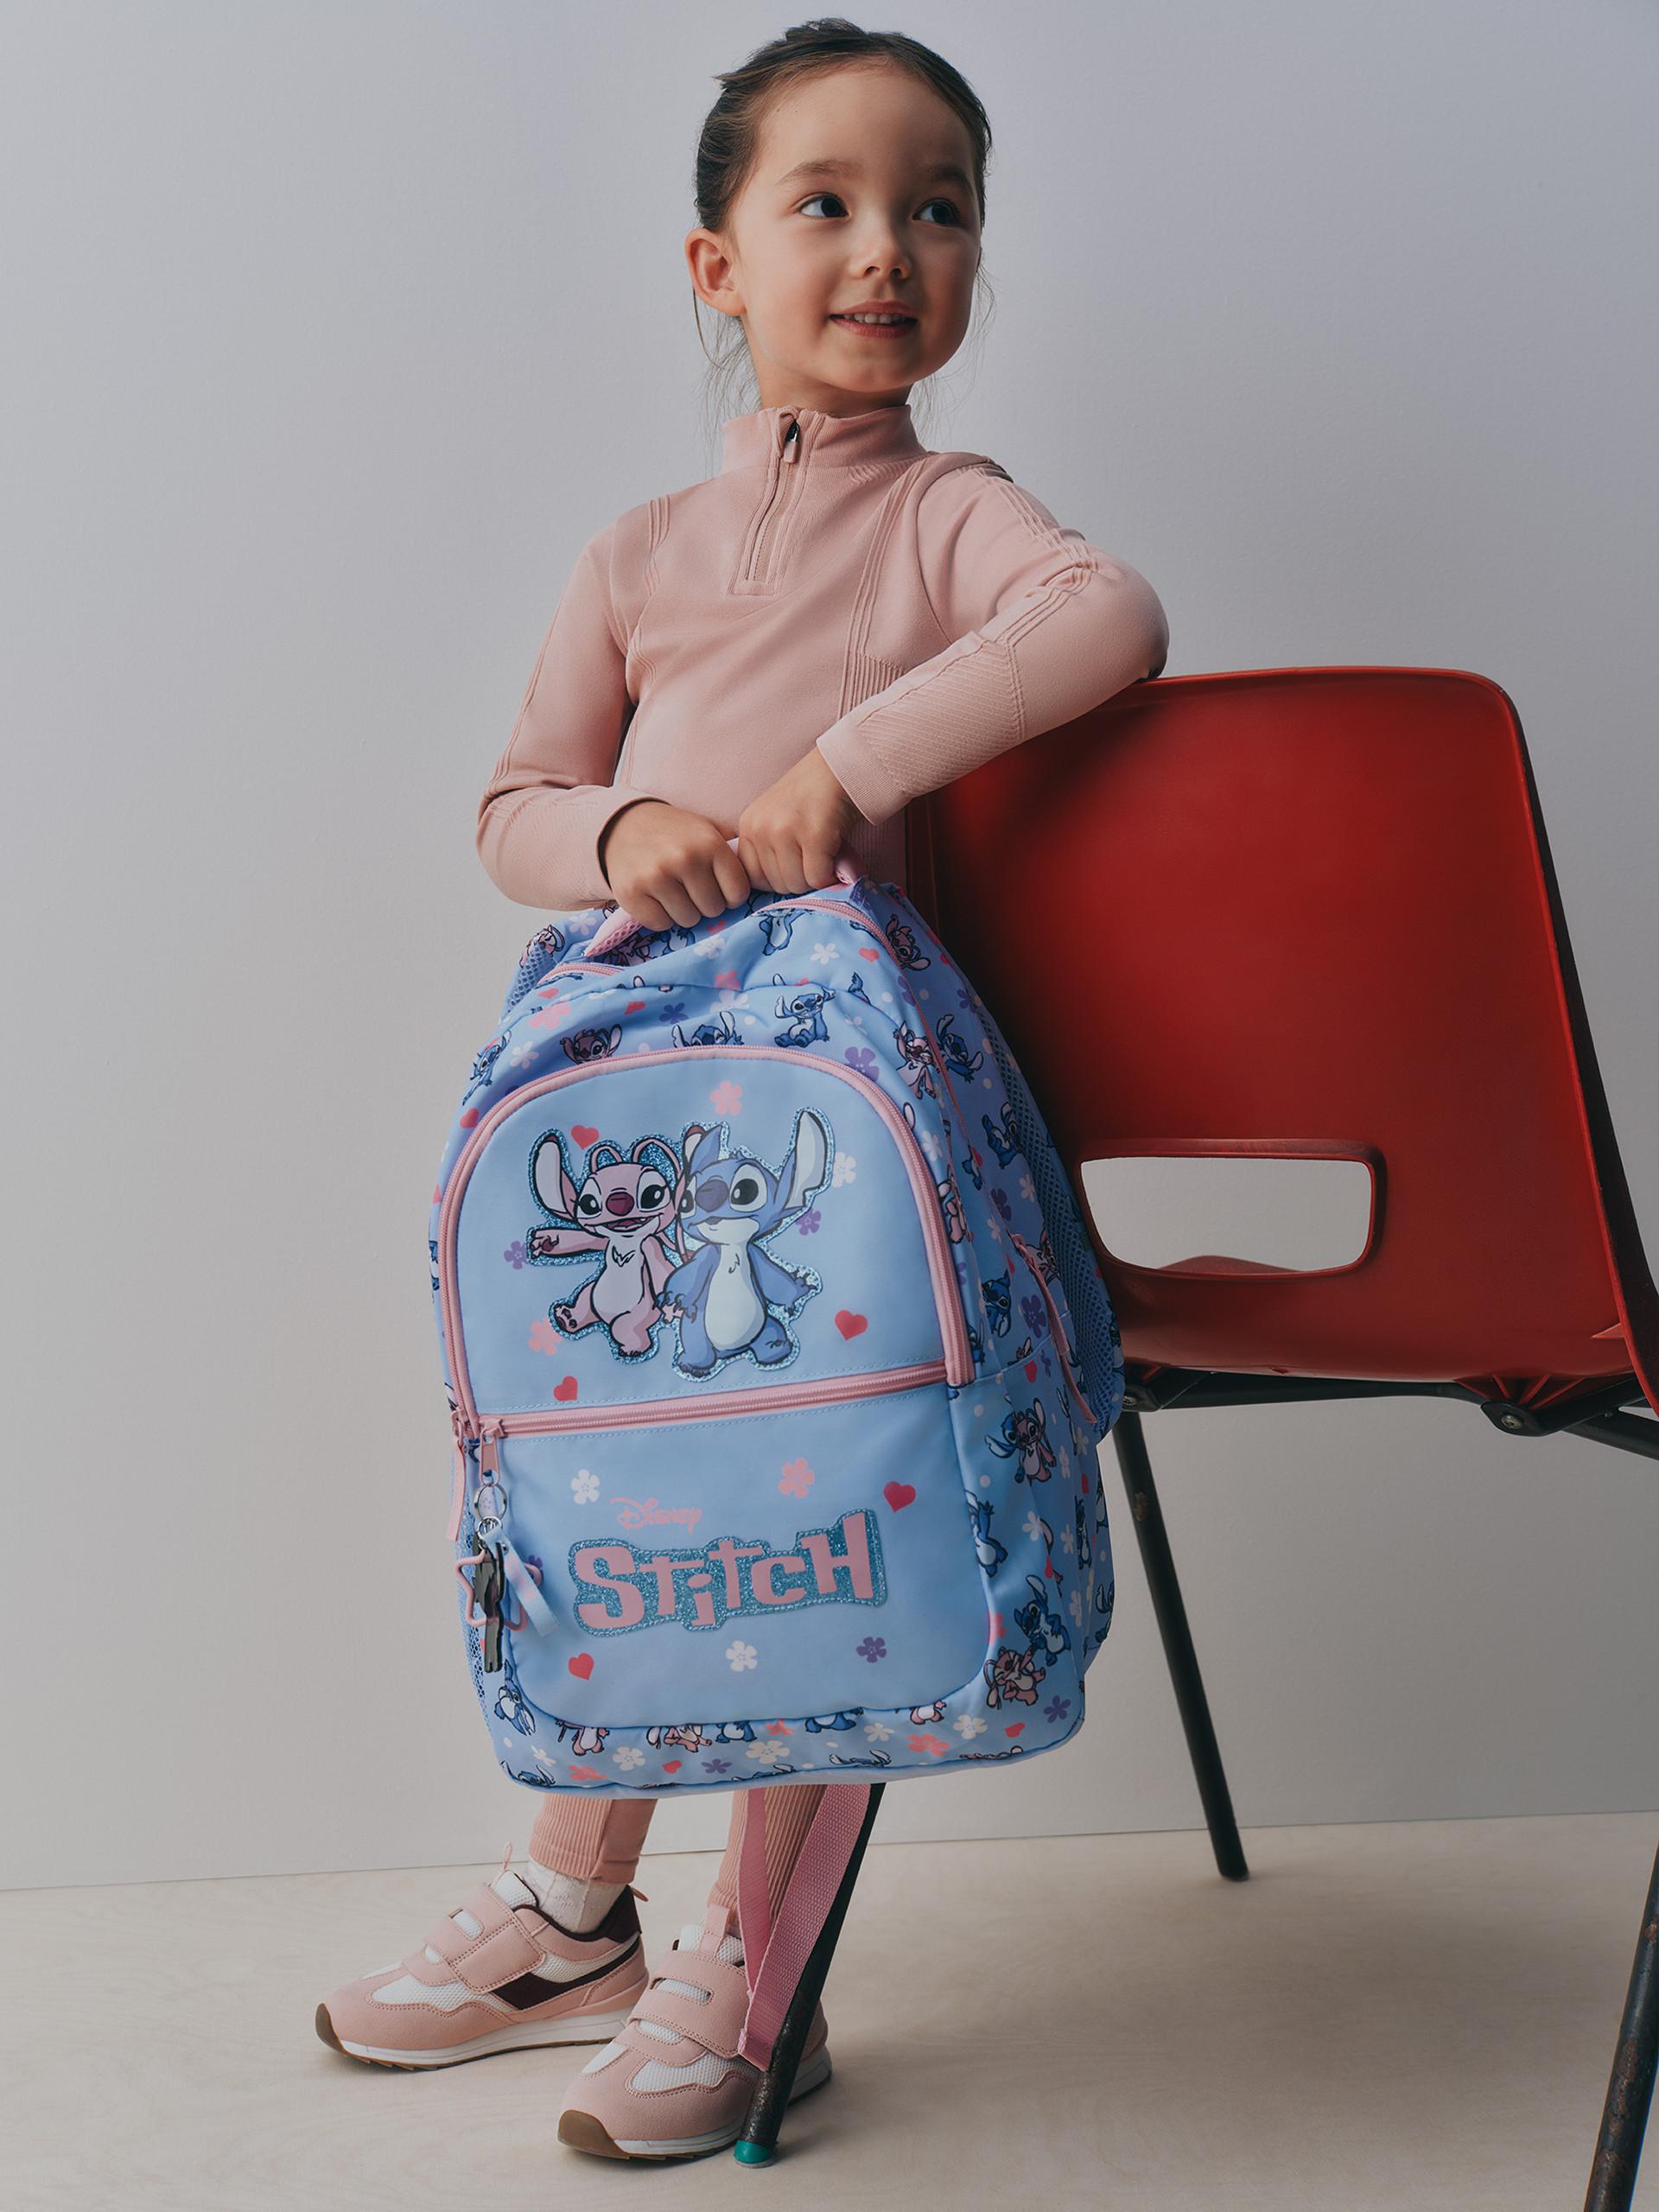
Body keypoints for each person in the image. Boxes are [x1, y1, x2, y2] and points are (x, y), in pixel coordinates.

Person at [317, 16, 1167, 2163]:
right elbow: (514, 797)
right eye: (829, 203)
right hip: (630, 1104)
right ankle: (570, 1899)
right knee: (627, 1470)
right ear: (716, 266)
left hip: (838, 1130)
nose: (889, 248)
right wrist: (615, 838)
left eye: (940, 208)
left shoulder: (953, 512)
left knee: (830, 1492)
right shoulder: (633, 554)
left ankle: (750, 1959)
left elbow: (1106, 613)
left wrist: (835, 771)